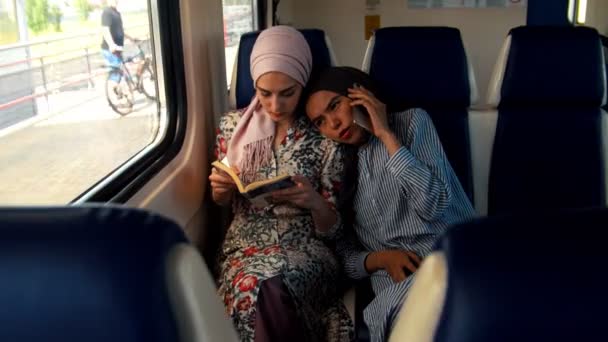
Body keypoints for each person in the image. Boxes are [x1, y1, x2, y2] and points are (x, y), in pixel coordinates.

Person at [304, 66, 476, 342]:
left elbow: (434, 205)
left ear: (360, 95)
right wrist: (381, 258)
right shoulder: (339, 165)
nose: (333, 124)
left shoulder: (412, 123)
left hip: (453, 261)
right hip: (398, 287)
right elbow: (346, 258)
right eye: (320, 122)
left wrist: (386, 135)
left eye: (335, 106)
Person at [209, 26, 353, 342]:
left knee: (276, 288)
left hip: (308, 247)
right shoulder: (231, 127)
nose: (275, 105)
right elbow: (222, 203)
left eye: (287, 93)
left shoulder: (324, 132)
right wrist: (220, 192)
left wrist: (314, 202)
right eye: (264, 93)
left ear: (302, 83)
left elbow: (337, 231)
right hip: (245, 246)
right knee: (252, 288)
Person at [100, 0, 137, 85]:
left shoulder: (117, 13)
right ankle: (116, 91)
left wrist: (131, 38)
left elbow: (120, 31)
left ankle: (127, 88)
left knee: (126, 66)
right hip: (111, 49)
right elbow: (105, 30)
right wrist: (111, 44)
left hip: (119, 48)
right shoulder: (107, 12)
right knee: (116, 74)